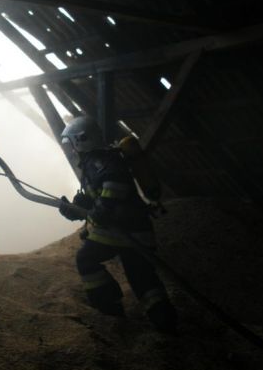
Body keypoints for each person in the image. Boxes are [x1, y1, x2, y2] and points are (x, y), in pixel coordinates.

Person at [59, 116, 177, 333]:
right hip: (138, 230)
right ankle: (165, 319)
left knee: (86, 259)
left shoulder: (100, 160)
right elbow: (97, 197)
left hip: (121, 231)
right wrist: (76, 209)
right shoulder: (102, 159)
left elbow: (114, 186)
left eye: (70, 143)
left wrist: (101, 211)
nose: (71, 149)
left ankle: (109, 308)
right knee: (142, 277)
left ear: (80, 140)